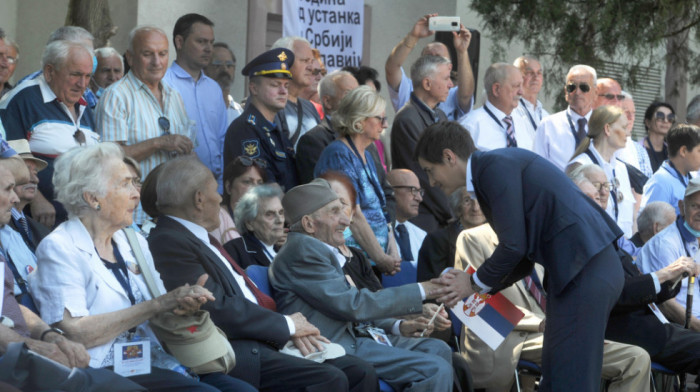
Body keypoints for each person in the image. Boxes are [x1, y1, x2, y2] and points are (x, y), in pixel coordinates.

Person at [414, 121, 625, 392]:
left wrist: (471, 284)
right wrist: (474, 288)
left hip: (586, 269)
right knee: (558, 373)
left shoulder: (491, 168)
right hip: (581, 271)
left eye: (430, 171)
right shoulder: (490, 169)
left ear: (448, 156)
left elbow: (513, 247)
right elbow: (523, 258)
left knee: (569, 378)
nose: (431, 182)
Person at [29, 143, 255, 391]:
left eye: (135, 183)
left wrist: (182, 304)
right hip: (103, 371)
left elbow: (160, 306)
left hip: (155, 358)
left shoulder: (132, 241)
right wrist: (159, 304)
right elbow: (75, 332)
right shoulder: (60, 248)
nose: (136, 193)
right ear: (93, 198)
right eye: (124, 184)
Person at [148, 156, 379, 392]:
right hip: (238, 348)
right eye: (215, 191)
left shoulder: (198, 237)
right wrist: (285, 326)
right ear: (199, 199)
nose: (220, 198)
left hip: (265, 337)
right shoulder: (169, 240)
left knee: (360, 372)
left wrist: (284, 329)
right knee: (330, 379)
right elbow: (215, 307)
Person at [271, 178, 454, 392]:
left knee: (438, 349)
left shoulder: (317, 248)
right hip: (337, 345)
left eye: (342, 210)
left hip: (359, 336)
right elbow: (354, 305)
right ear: (309, 224)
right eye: (334, 213)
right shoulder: (302, 252)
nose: (346, 221)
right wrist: (424, 289)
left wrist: (397, 325)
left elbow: (351, 304)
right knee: (435, 369)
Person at [456, 223, 652, 392]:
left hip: (551, 329)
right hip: (508, 337)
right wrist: (540, 323)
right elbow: (473, 300)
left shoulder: (535, 238)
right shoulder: (473, 238)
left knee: (637, 358)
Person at [97, 25, 194, 225]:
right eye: (148, 54)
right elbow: (109, 159)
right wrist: (158, 143)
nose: (156, 62)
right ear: (130, 58)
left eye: (163, 54)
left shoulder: (174, 95)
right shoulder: (116, 96)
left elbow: (188, 150)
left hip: (173, 212)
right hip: (134, 215)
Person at [1, 39, 99, 228]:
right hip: (39, 221)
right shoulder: (22, 100)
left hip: (83, 221)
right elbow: (8, 160)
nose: (82, 84)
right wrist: (36, 199)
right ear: (49, 72)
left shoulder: (85, 107)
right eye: (75, 74)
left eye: (88, 76)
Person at [314, 86, 401, 275]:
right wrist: (380, 257)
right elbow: (352, 216)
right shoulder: (338, 155)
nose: (385, 125)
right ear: (359, 121)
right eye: (380, 119)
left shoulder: (367, 155)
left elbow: (379, 208)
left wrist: (391, 250)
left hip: (372, 262)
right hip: (351, 263)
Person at [390, 55, 455, 233]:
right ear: (427, 84)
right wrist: (451, 213)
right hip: (423, 217)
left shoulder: (440, 116)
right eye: (446, 78)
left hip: (441, 213)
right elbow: (423, 176)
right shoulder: (407, 119)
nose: (451, 84)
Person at [164, 13, 228, 193]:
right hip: (179, 188)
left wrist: (221, 187)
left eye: (211, 42)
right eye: (201, 42)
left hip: (214, 188)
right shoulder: (164, 84)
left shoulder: (214, 88)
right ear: (179, 42)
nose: (209, 49)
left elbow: (222, 139)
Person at [223, 48, 299, 191]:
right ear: (254, 88)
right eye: (275, 85)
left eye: (286, 85)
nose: (283, 91)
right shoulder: (245, 129)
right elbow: (262, 188)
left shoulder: (277, 132)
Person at [384, 13, 474, 121]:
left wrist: (462, 51)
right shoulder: (408, 89)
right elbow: (391, 68)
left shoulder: (451, 93)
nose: (433, 62)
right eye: (428, 57)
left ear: (449, 67)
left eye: (438, 58)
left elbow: (466, 95)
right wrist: (414, 36)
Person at [638, 177, 700, 328]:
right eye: (695, 206)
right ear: (681, 207)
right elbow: (665, 305)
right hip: (679, 328)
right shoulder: (665, 244)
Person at [568, 105, 635, 237]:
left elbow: (631, 219)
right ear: (608, 129)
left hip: (623, 252)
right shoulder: (580, 165)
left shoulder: (621, 168)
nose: (628, 133)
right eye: (623, 127)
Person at [296, 70, 359, 184]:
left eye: (358, 94)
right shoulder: (312, 142)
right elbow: (323, 193)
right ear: (328, 102)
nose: (357, 101)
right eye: (349, 94)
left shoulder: (364, 139)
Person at [533, 64, 597, 171]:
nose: (577, 92)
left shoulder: (605, 127)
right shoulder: (548, 125)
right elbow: (536, 166)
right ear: (565, 92)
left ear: (595, 92)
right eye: (571, 87)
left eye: (584, 87)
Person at [417, 187, 486, 282]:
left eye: (480, 200)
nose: (475, 208)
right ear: (457, 207)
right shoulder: (437, 240)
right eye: (467, 201)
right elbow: (433, 285)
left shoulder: (499, 237)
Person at [460, 63, 530, 150]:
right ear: (496, 89)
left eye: (521, 85)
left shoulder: (523, 123)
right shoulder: (470, 126)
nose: (521, 92)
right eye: (516, 86)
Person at [270, 36, 321, 149]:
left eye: (311, 62)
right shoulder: (269, 104)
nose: (311, 68)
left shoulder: (310, 107)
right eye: (304, 61)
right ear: (284, 63)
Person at [641, 124, 700, 215]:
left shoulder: (690, 178)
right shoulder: (660, 182)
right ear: (683, 151)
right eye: (699, 151)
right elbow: (651, 225)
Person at [223, 183, 285, 268]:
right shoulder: (234, 251)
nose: (280, 220)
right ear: (250, 223)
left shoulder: (286, 250)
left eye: (281, 213)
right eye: (269, 214)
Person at [210, 157, 266, 245]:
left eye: (260, 183)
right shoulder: (217, 220)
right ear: (228, 187)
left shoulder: (265, 219)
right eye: (247, 182)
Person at [6, 139, 50, 252]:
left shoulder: (42, 231)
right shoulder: (3, 223)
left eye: (35, 172)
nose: (35, 179)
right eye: (24, 171)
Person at [387, 169, 426, 267]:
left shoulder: (422, 236)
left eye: (419, 192)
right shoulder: (375, 234)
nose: (419, 198)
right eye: (413, 190)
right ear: (390, 190)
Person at [204, 42, 244, 127]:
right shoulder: (197, 109)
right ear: (205, 70)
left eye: (229, 65)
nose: (225, 69)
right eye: (218, 65)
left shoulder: (240, 113)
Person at [513, 56, 549, 138]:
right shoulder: (511, 111)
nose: (536, 77)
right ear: (518, 77)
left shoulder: (546, 116)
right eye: (530, 73)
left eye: (539, 73)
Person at [640, 101, 676, 173]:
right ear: (648, 122)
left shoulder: (673, 152)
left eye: (670, 118)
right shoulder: (637, 149)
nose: (666, 121)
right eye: (660, 116)